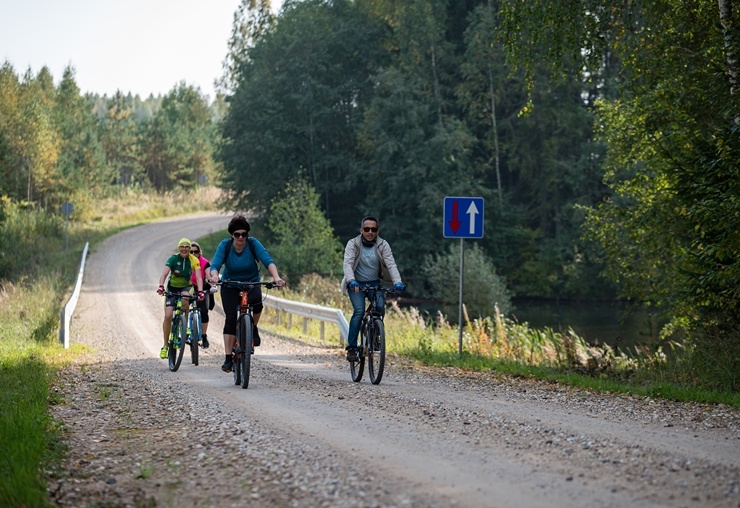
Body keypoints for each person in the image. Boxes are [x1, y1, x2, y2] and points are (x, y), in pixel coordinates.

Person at [208, 215, 286, 373]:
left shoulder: (253, 244)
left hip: (251, 282)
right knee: (230, 318)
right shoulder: (225, 245)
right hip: (230, 284)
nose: (241, 237)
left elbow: (267, 260)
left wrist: (276, 277)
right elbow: (215, 265)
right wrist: (215, 276)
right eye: (237, 234)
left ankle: (253, 327)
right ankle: (228, 357)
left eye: (244, 234)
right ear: (232, 235)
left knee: (257, 303)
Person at [341, 216, 405, 362]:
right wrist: (351, 281)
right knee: (359, 311)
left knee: (380, 308)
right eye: (367, 229)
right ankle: (351, 348)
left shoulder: (383, 245)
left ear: (377, 231)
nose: (370, 232)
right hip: (355, 284)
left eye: (373, 229)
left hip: (374, 284)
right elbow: (348, 264)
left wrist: (398, 282)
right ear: (361, 230)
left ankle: (375, 336)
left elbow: (391, 264)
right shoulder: (353, 244)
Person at [157, 238, 205, 359]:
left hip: (186, 287)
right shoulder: (173, 258)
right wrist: (161, 286)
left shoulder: (193, 260)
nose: (184, 249)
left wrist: (200, 291)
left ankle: (184, 325)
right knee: (168, 315)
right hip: (172, 288)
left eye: (187, 247)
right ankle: (165, 346)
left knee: (185, 298)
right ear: (179, 248)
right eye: (182, 247)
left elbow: (198, 277)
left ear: (189, 248)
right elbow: (164, 273)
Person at [189, 241, 211, 349]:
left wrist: (213, 283)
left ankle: (204, 335)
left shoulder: (204, 262)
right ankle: (184, 329)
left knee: (204, 312)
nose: (193, 254)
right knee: (182, 306)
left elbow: (209, 275)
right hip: (188, 287)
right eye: (191, 252)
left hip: (201, 288)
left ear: (199, 252)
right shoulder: (186, 262)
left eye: (196, 252)